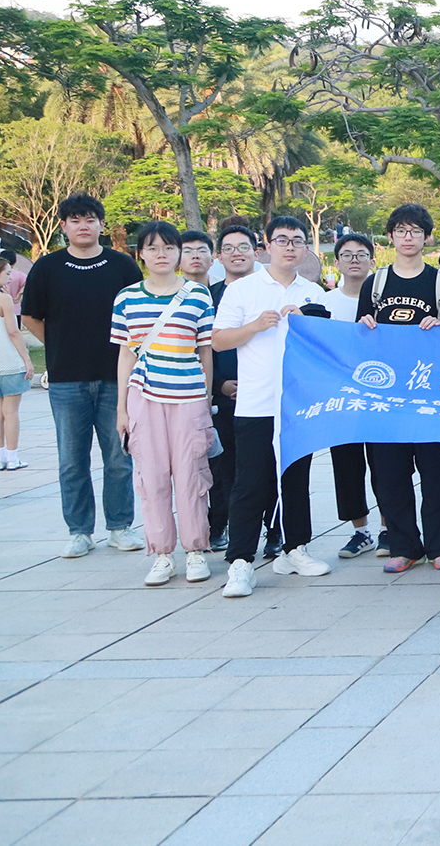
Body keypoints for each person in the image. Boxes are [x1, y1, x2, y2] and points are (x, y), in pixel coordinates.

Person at [210, 215, 331, 597]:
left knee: (295, 479)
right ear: (266, 246)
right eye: (282, 240)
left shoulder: (313, 292)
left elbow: (326, 344)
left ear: (305, 248)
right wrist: (255, 327)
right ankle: (240, 562)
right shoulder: (243, 289)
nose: (290, 247)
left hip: (298, 403)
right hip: (256, 402)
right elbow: (218, 340)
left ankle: (295, 548)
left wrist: (306, 322)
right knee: (251, 482)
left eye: (297, 240)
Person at [21, 194, 144, 558]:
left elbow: (140, 316)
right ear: (63, 226)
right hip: (66, 380)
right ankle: (79, 531)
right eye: (75, 220)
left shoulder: (122, 266)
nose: (83, 226)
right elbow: (30, 317)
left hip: (116, 377)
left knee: (119, 457)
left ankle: (120, 527)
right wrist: (60, 344)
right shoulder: (47, 267)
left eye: (90, 219)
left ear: (101, 225)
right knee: (72, 460)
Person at [356, 204, 440, 572]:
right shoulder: (376, 283)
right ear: (390, 237)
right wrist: (366, 325)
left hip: (430, 395)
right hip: (387, 397)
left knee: (435, 475)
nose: (408, 237)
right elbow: (360, 335)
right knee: (390, 475)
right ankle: (404, 546)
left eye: (416, 231)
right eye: (401, 230)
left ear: (427, 237)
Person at [111, 222, 216, 586]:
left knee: (191, 475)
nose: (161, 255)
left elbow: (205, 352)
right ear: (140, 253)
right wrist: (122, 408)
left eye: (169, 248)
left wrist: (206, 398)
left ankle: (196, 550)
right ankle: (161, 554)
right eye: (153, 248)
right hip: (144, 397)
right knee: (151, 476)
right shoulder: (126, 298)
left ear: (178, 254)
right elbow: (126, 355)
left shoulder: (198, 295)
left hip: (189, 397)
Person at [323, 233, 380, 558]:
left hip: (380, 396)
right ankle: (360, 531)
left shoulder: (385, 297)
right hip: (342, 398)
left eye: (361, 254)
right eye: (347, 254)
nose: (354, 259)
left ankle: (389, 527)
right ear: (337, 262)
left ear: (372, 260)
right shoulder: (326, 302)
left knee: (385, 465)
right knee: (347, 466)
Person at [207, 225, 261, 552]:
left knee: (263, 469)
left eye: (243, 247)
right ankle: (218, 526)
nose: (236, 253)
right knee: (223, 469)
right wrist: (219, 385)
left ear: (256, 252)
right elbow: (201, 347)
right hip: (223, 398)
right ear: (219, 256)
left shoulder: (268, 291)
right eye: (228, 248)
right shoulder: (208, 296)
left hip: (263, 397)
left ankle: (274, 532)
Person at [0, 252, 33, 470]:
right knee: (11, 412)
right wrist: (26, 359)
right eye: (7, 274)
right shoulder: (4, 300)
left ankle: (1, 456)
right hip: (9, 362)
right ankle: (12, 457)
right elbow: (13, 331)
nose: (10, 278)